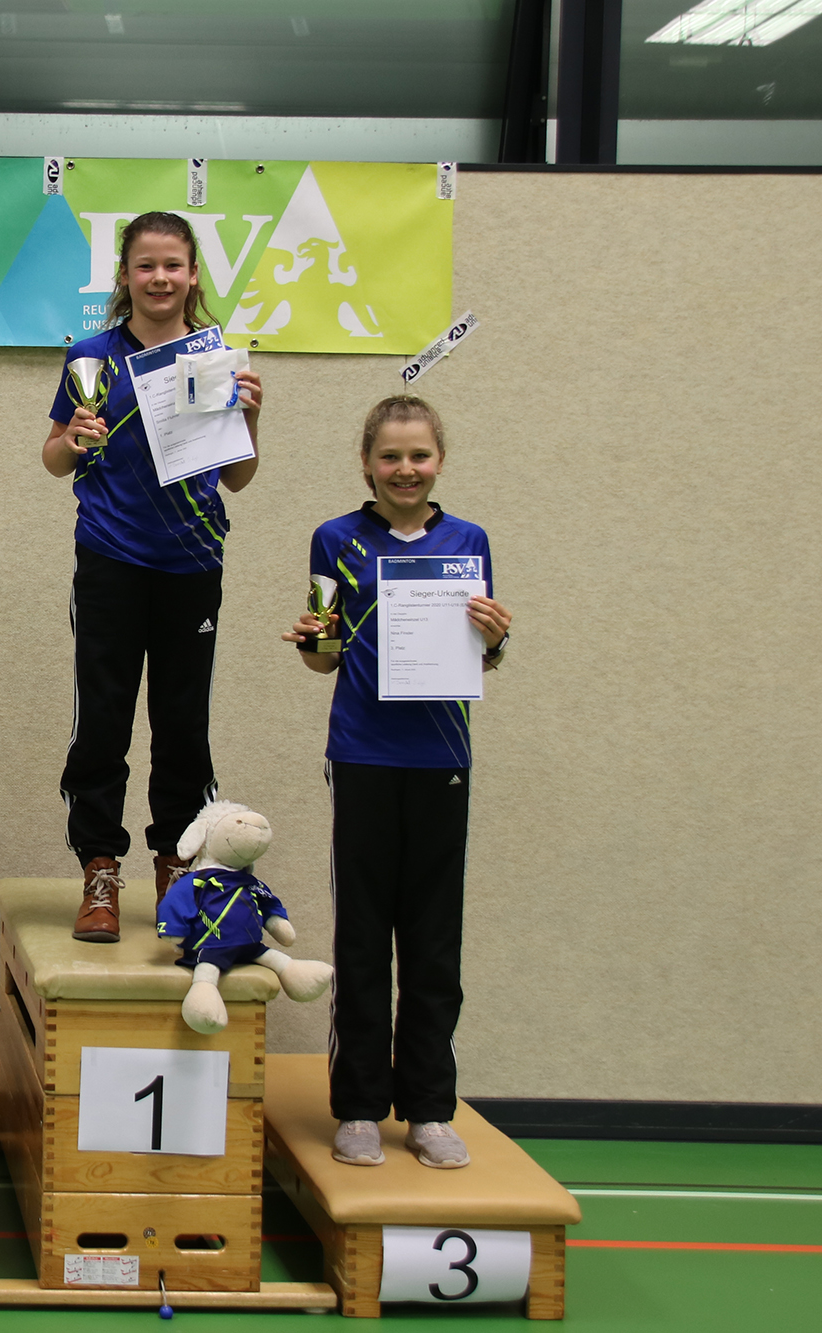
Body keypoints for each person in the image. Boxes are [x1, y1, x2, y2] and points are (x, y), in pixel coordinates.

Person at [281, 395, 512, 1170]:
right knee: (362, 935)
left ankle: (430, 1108)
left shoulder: (468, 540)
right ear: (367, 463)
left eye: (418, 455)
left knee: (434, 941)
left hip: (441, 758)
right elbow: (323, 657)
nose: (405, 469)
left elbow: (480, 654)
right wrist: (311, 640)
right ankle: (356, 1105)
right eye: (390, 456)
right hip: (363, 755)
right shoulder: (335, 538)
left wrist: (497, 639)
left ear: (439, 460)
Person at [43, 212, 264, 945]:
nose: (160, 278)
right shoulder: (92, 357)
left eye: (173, 265)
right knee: (101, 722)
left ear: (193, 274)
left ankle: (178, 867)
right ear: (125, 276)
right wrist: (74, 440)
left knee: (183, 725)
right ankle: (100, 869)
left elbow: (238, 477)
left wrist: (250, 417)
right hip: (109, 560)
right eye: (146, 265)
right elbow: (53, 457)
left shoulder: (216, 358)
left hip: (192, 563)